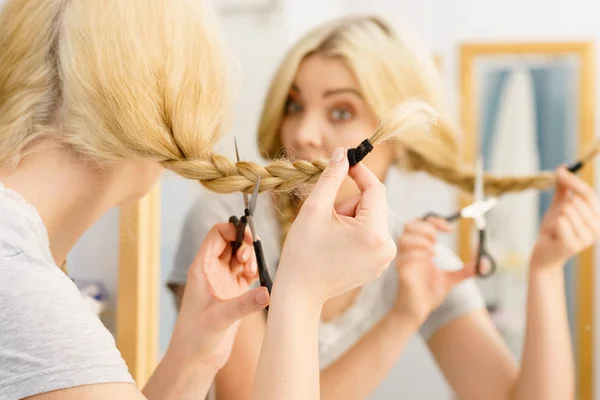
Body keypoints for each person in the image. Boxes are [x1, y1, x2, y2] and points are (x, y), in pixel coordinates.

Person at [169, 15, 600, 399]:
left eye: (340, 111)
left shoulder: (417, 263)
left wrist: (545, 270)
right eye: (295, 105)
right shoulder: (229, 226)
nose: (303, 132)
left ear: (398, 139)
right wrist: (400, 321)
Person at [0, 1, 402, 399]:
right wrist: (300, 296)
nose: (304, 135)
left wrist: (194, 354)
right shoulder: (26, 292)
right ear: (169, 104)